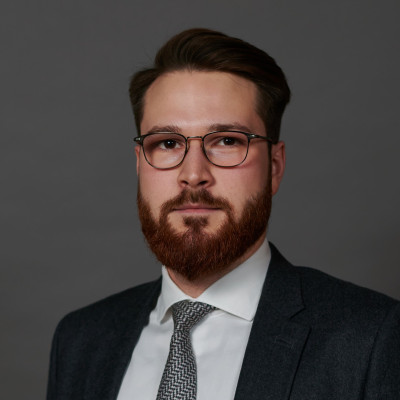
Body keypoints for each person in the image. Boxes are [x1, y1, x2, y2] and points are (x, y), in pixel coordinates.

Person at [47, 28, 400, 400]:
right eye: (167, 143)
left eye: (227, 141)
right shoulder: (80, 341)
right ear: (139, 164)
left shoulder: (371, 338)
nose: (193, 174)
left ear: (275, 166)